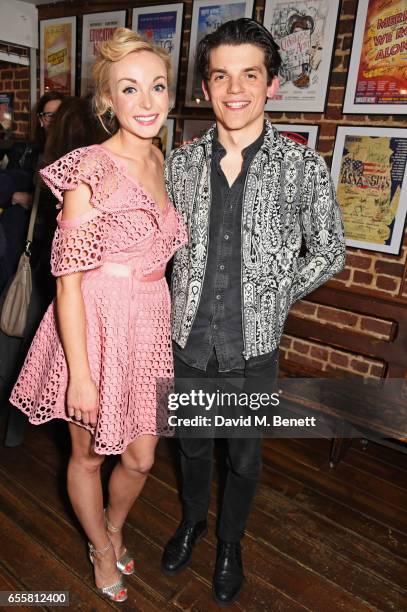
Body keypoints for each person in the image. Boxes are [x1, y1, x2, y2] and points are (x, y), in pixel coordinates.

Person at [161, 18, 346, 606]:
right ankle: (192, 520)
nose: (234, 89)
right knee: (191, 444)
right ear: (205, 87)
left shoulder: (302, 167)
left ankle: (230, 541)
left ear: (271, 85)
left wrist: (273, 292)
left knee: (243, 454)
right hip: (186, 341)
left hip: (253, 348)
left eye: (249, 75)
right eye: (221, 75)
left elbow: (330, 251)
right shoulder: (180, 165)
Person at [10, 28, 187, 602]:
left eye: (157, 87)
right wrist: (80, 375)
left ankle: (112, 526)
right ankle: (101, 546)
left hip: (148, 326)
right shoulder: (89, 169)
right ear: (108, 101)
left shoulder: (160, 159)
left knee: (140, 455)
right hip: (93, 327)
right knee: (87, 453)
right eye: (130, 89)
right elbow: (67, 284)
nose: (148, 102)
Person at [0, 96, 104, 447]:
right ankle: (16, 427)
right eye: (46, 115)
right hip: (29, 264)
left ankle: (27, 425)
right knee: (18, 344)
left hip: (58, 273)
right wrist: (18, 195)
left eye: (57, 116)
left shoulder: (82, 163)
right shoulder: (29, 153)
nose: (51, 122)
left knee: (35, 346)